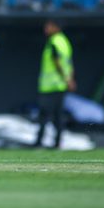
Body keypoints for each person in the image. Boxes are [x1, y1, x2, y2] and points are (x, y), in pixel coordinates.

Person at [34, 20, 74, 149]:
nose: (46, 29)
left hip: (50, 86)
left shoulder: (54, 42)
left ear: (55, 27)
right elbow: (69, 63)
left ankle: (39, 142)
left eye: (48, 26)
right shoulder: (65, 42)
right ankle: (57, 143)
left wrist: (67, 79)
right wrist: (69, 79)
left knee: (44, 115)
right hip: (60, 86)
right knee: (58, 116)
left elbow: (58, 62)